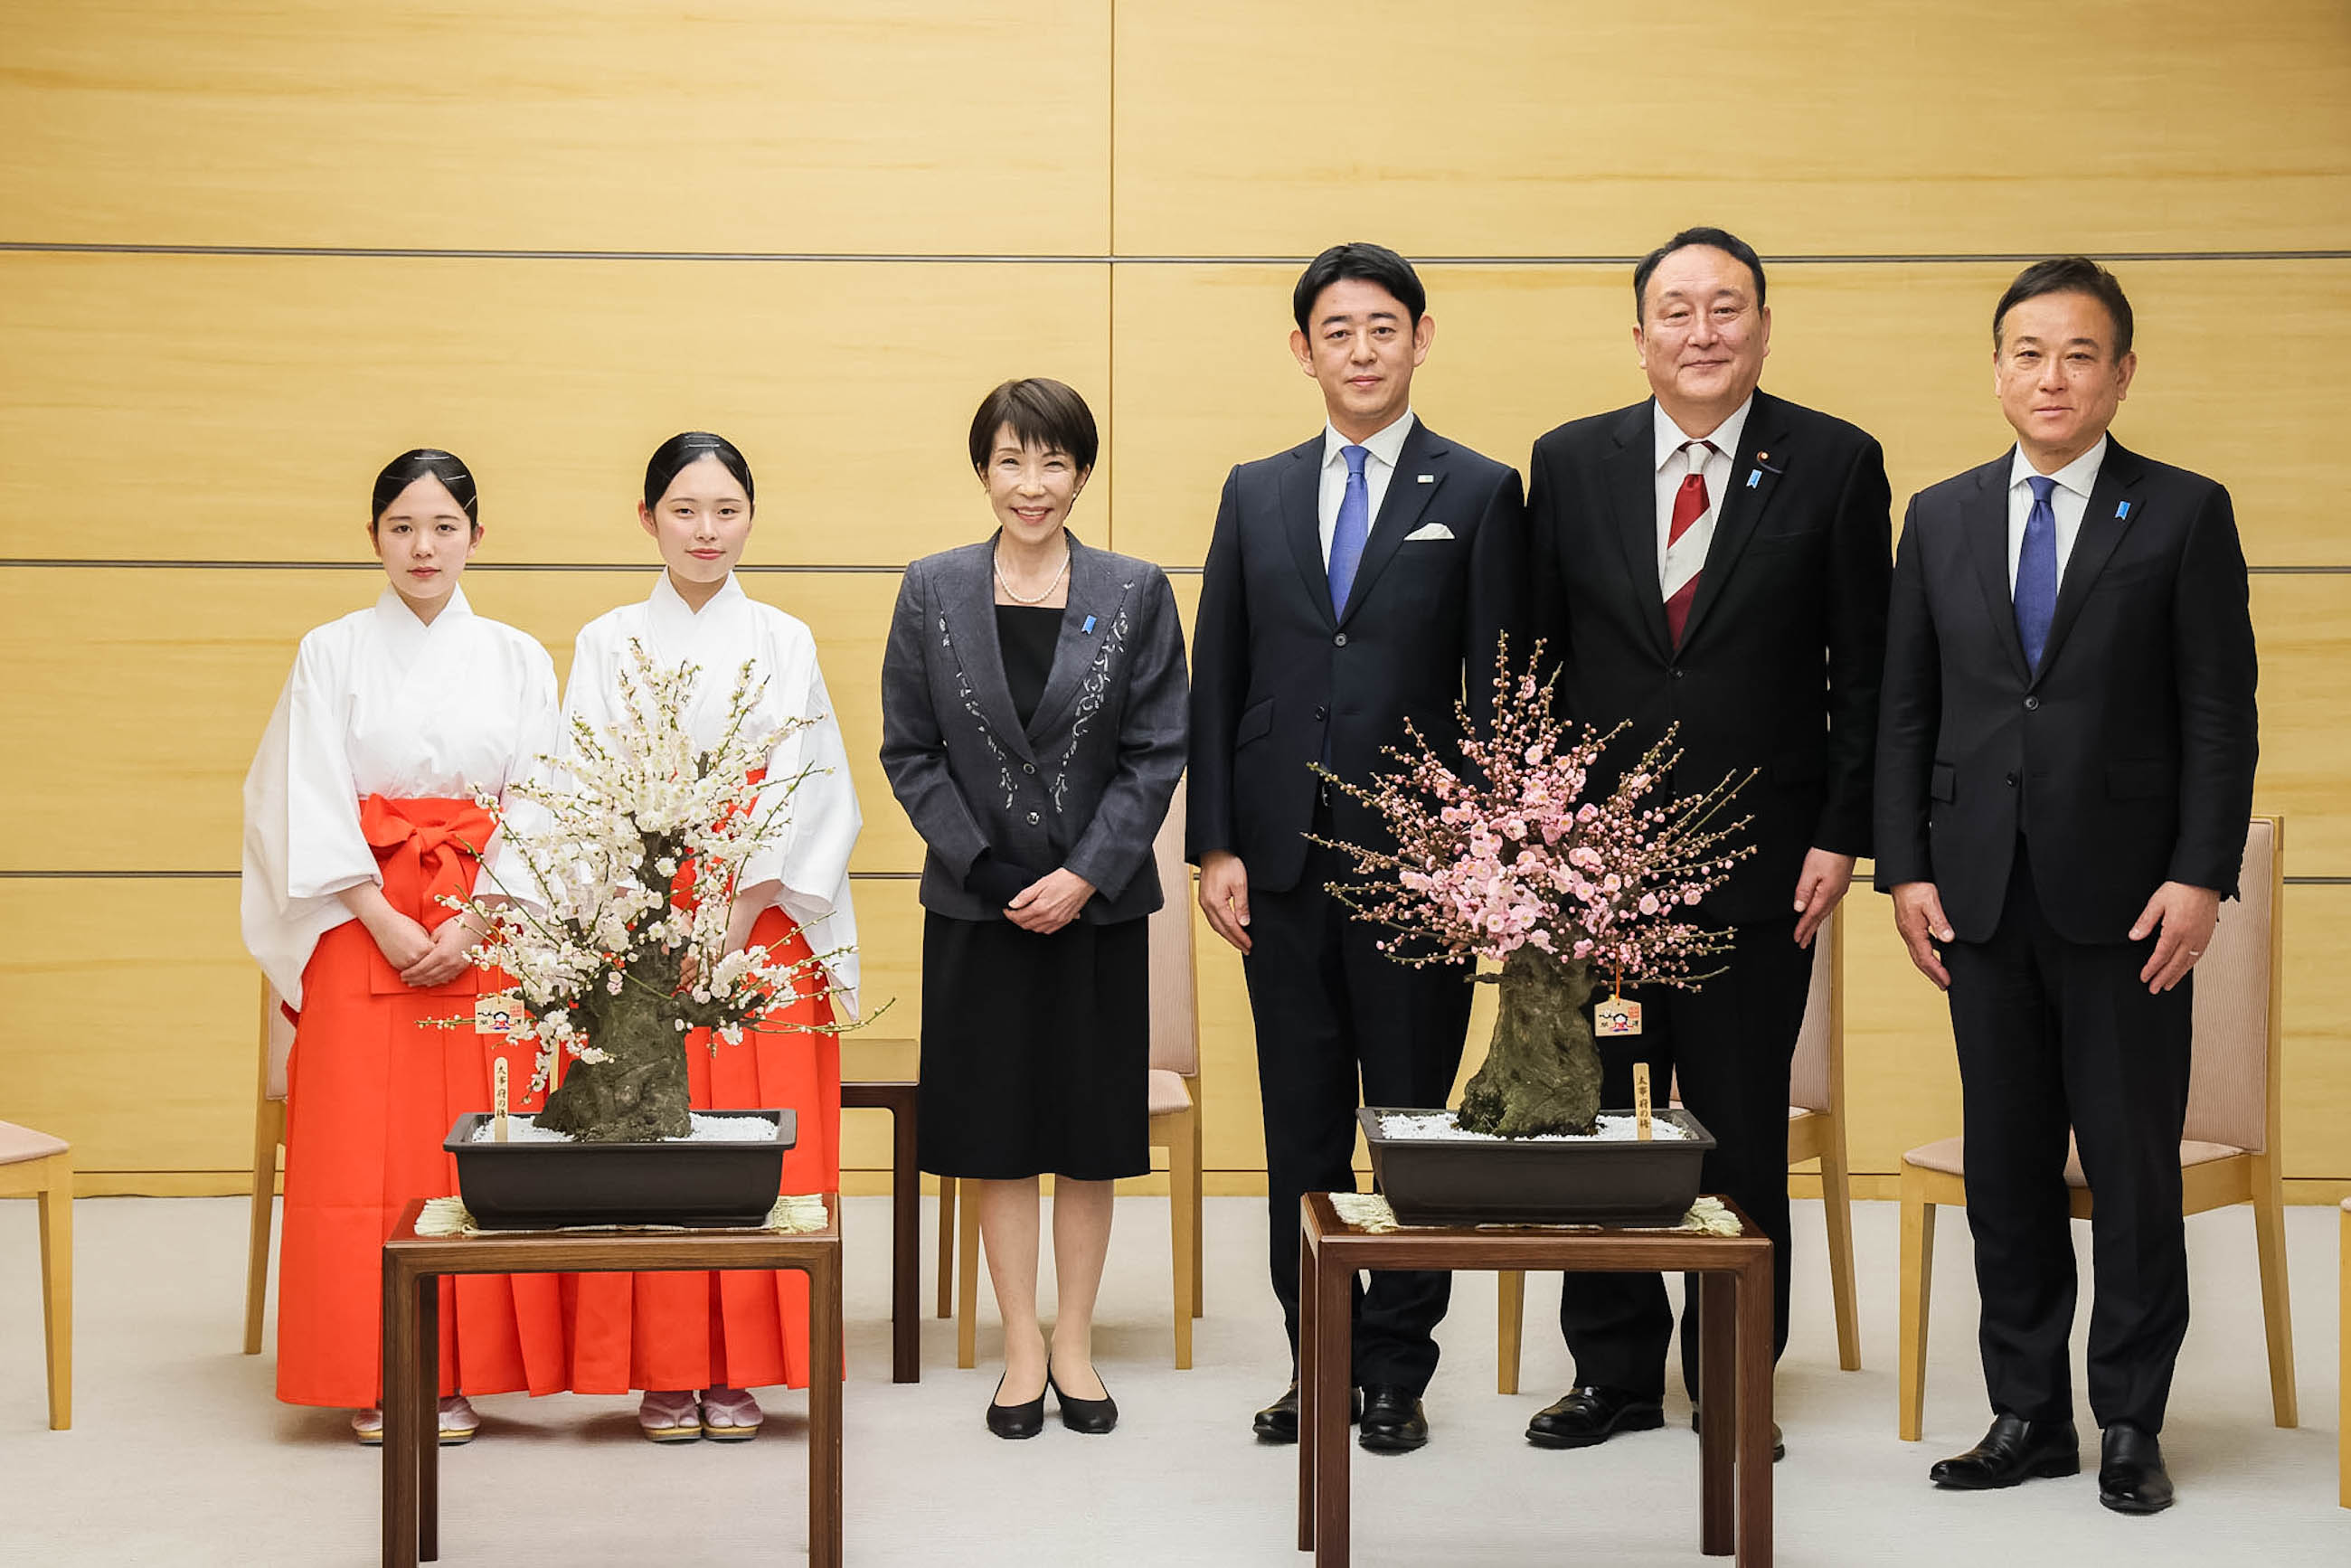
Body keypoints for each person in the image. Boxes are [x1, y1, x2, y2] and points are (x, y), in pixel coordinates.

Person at [1876, 258, 2257, 1515]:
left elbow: (2219, 716)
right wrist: (1908, 869)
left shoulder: (2186, 512)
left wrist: (2202, 875)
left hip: (2131, 903)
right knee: (2008, 1163)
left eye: (2079, 353)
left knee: (2135, 1170)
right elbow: (1905, 712)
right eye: (2029, 352)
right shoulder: (1937, 516)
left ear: (2122, 373)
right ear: (1997, 371)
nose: (2052, 376)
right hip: (1979, 896)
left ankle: (2133, 1419)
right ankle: (2027, 1411)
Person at [1524, 227, 1892, 1459]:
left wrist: (1846, 833)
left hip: (1761, 869)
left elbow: (1867, 672)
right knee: (1598, 1125)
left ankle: (1735, 1373)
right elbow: (1534, 666)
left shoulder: (1836, 464)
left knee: (1734, 1125)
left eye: (1726, 307)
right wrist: (1539, 837)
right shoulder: (1570, 465)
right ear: (1639, 338)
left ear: (1764, 327)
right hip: (1595, 884)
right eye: (1675, 310)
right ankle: (1613, 1373)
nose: (1702, 331)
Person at [1189, 242, 1525, 1452]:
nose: (1362, 349)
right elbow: (1219, 672)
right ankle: (1316, 1354)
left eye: (1384, 327)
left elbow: (1496, 689)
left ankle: (1397, 1368)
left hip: (1420, 866)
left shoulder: (1480, 492)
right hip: (1277, 860)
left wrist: (1488, 855)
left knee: (1412, 1121)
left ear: (1421, 338)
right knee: (1301, 1123)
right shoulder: (1256, 489)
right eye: (1338, 331)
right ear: (1303, 350)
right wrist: (1214, 844)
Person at [880, 378, 1187, 1439]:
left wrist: (1087, 872)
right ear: (982, 472)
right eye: (1010, 461)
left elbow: (1156, 752)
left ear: (1082, 473)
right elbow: (909, 751)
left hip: (1094, 914)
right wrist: (990, 870)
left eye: (1053, 462)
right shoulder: (931, 591)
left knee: (1087, 1135)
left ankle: (1075, 1345)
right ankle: (1018, 1348)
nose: (1032, 484)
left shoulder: (1136, 589)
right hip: (977, 912)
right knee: (998, 1134)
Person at [241, 449, 567, 1444]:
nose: (423, 548)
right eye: (401, 528)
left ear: (477, 537)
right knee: (357, 1155)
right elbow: (300, 793)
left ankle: (470, 1366)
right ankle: (376, 1367)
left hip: (487, 920)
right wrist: (379, 916)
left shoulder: (516, 656)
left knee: (476, 1145)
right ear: (373, 536)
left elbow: (545, 801)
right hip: (359, 919)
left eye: (443, 528)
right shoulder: (329, 650)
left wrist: (473, 920)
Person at [558, 431, 864, 1443]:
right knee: (651, 1137)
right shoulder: (608, 639)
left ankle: (749, 1362)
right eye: (684, 509)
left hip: (759, 919)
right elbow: (581, 783)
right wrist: (641, 909)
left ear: (748, 519)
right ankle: (664, 1365)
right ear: (647, 518)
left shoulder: (784, 638)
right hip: (640, 923)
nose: (705, 530)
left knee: (754, 1143)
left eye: (725, 509)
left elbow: (811, 787)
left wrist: (732, 911)